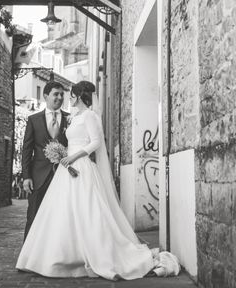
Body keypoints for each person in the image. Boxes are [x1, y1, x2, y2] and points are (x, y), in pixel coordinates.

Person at [16, 81, 179, 280]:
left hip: (78, 167)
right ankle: (44, 256)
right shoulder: (71, 118)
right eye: (58, 95)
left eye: (70, 95)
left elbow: (95, 142)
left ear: (78, 96)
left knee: (86, 212)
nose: (66, 98)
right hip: (61, 170)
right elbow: (30, 148)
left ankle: (89, 254)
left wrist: (72, 157)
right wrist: (46, 164)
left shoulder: (89, 116)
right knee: (52, 214)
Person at [21, 81, 69, 239]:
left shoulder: (70, 119)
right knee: (34, 215)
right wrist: (26, 176)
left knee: (61, 217)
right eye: (56, 94)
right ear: (46, 96)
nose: (60, 97)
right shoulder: (34, 119)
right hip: (38, 176)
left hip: (63, 176)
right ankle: (28, 254)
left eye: (62, 94)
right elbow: (27, 149)